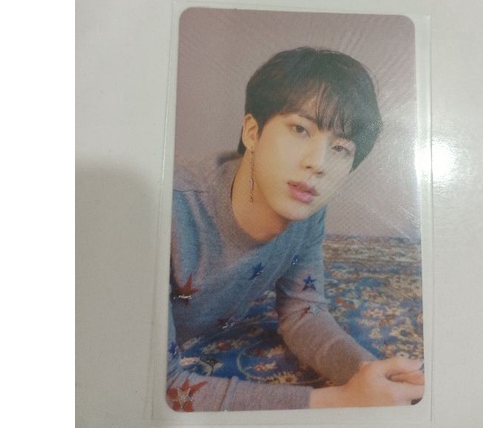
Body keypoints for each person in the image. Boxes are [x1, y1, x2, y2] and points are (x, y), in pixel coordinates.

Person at [166, 47, 424, 411]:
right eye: (300, 129)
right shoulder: (167, 209)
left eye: (340, 148)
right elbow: (161, 386)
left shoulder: (306, 205)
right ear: (252, 132)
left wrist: (370, 375)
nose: (317, 164)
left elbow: (303, 312)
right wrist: (340, 401)